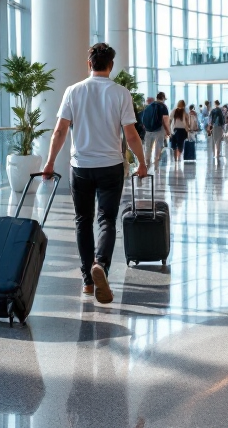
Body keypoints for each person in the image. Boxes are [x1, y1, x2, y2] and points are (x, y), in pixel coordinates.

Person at [41, 43, 148, 304]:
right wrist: (142, 163)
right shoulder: (120, 93)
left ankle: (88, 282)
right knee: (107, 221)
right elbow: (131, 134)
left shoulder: (73, 91)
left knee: (82, 221)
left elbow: (60, 131)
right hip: (111, 165)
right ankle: (101, 265)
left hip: (81, 167)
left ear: (89, 64)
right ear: (111, 65)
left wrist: (49, 162)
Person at [141, 92, 170, 166]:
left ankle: (147, 162)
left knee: (148, 147)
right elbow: (165, 120)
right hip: (159, 129)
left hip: (148, 130)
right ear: (163, 98)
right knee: (158, 145)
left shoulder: (149, 106)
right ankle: (156, 162)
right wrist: (168, 131)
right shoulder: (163, 107)